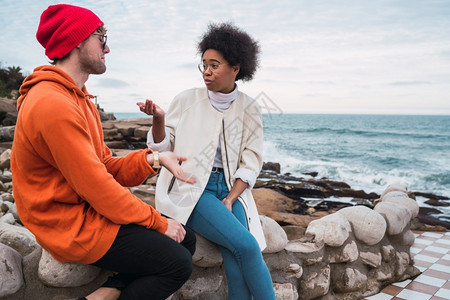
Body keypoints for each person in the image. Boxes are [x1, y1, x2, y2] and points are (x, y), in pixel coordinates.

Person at [11, 4, 196, 300]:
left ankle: (106, 293)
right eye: (101, 38)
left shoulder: (80, 100)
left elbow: (105, 165)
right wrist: (158, 222)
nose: (107, 48)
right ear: (76, 40)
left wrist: (156, 157)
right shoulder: (52, 103)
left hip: (85, 210)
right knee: (177, 263)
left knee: (186, 240)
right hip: (67, 223)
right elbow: (97, 185)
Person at [137, 22, 276, 299]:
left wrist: (232, 197)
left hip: (232, 189)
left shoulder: (250, 107)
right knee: (247, 246)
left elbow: (252, 159)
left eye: (215, 65)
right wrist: (159, 119)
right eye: (204, 65)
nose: (207, 72)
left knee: (235, 255)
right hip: (193, 188)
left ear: (236, 68)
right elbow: (162, 147)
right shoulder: (186, 99)